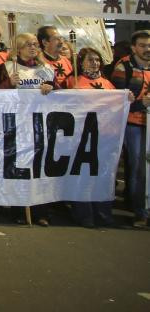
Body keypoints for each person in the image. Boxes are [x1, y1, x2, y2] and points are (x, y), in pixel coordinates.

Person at [2, 32, 56, 226]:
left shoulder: (46, 70)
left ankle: (41, 210)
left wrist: (51, 87)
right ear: (18, 48)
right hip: (17, 123)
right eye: (28, 45)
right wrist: (9, 83)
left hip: (39, 124)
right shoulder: (9, 67)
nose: (33, 48)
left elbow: (58, 93)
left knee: (39, 167)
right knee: (19, 167)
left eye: (35, 44)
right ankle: (18, 209)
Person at [70, 46, 122, 228]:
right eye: (90, 60)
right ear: (81, 63)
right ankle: (84, 214)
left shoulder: (107, 84)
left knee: (104, 176)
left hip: (106, 136)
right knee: (84, 176)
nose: (95, 63)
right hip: (83, 136)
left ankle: (104, 213)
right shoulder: (74, 81)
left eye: (97, 60)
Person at [106, 30, 150, 228]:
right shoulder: (123, 68)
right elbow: (118, 101)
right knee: (140, 168)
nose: (147, 49)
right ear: (134, 47)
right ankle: (140, 211)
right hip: (133, 123)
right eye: (142, 45)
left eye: (149, 46)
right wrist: (142, 103)